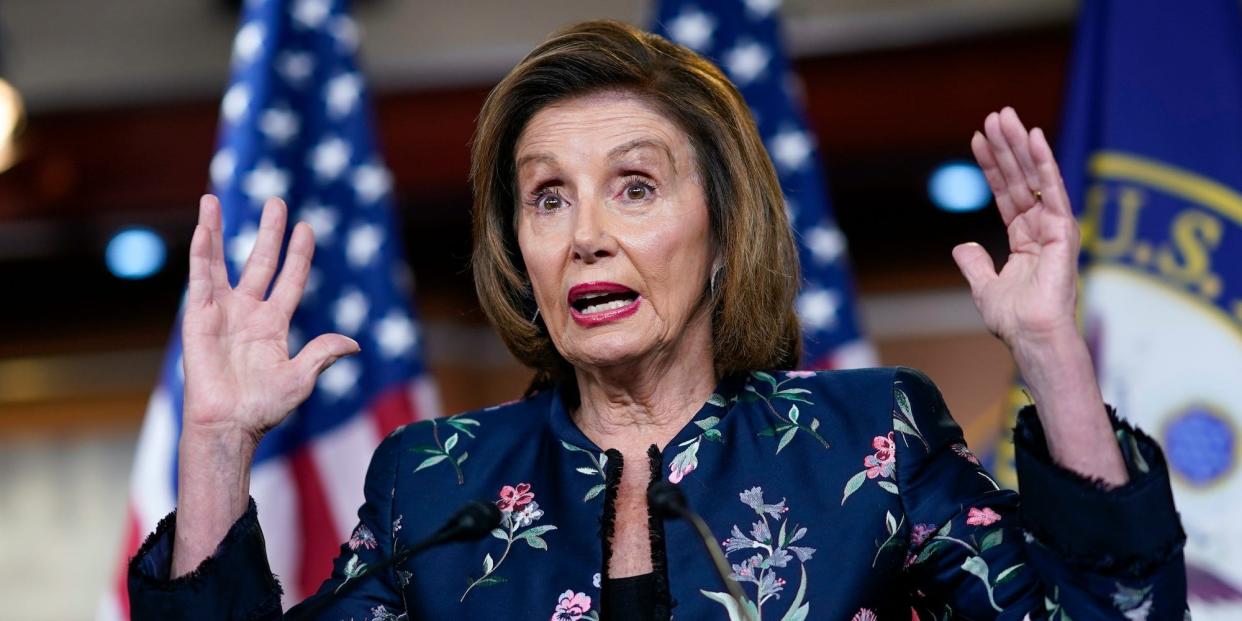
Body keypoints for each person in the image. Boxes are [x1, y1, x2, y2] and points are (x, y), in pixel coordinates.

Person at [129, 20, 1186, 620]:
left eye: (634, 187)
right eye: (548, 197)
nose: (586, 233)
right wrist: (217, 444)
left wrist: (1048, 349)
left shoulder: (867, 445)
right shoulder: (438, 484)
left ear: (724, 232)